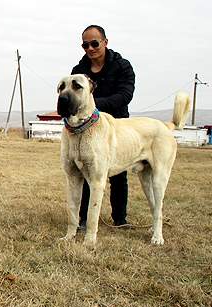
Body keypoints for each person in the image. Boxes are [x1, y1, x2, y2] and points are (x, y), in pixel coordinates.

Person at [71, 25, 135, 229]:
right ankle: (84, 220)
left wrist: (94, 106)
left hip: (116, 125)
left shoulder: (123, 66)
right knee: (87, 171)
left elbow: (125, 95)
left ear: (105, 42)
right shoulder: (78, 71)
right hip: (86, 128)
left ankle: (120, 219)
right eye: (85, 45)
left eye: (94, 43)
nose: (90, 48)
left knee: (118, 174)